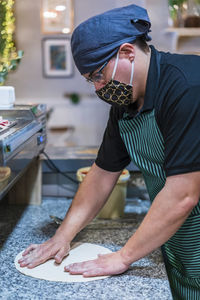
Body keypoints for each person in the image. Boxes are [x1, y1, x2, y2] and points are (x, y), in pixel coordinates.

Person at [19, 4, 200, 299]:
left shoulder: (187, 87)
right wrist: (62, 236)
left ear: (127, 53)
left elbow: (183, 195)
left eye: (98, 75)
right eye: (91, 80)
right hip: (176, 235)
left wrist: (122, 257)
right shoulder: (126, 102)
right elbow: (102, 173)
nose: (97, 87)